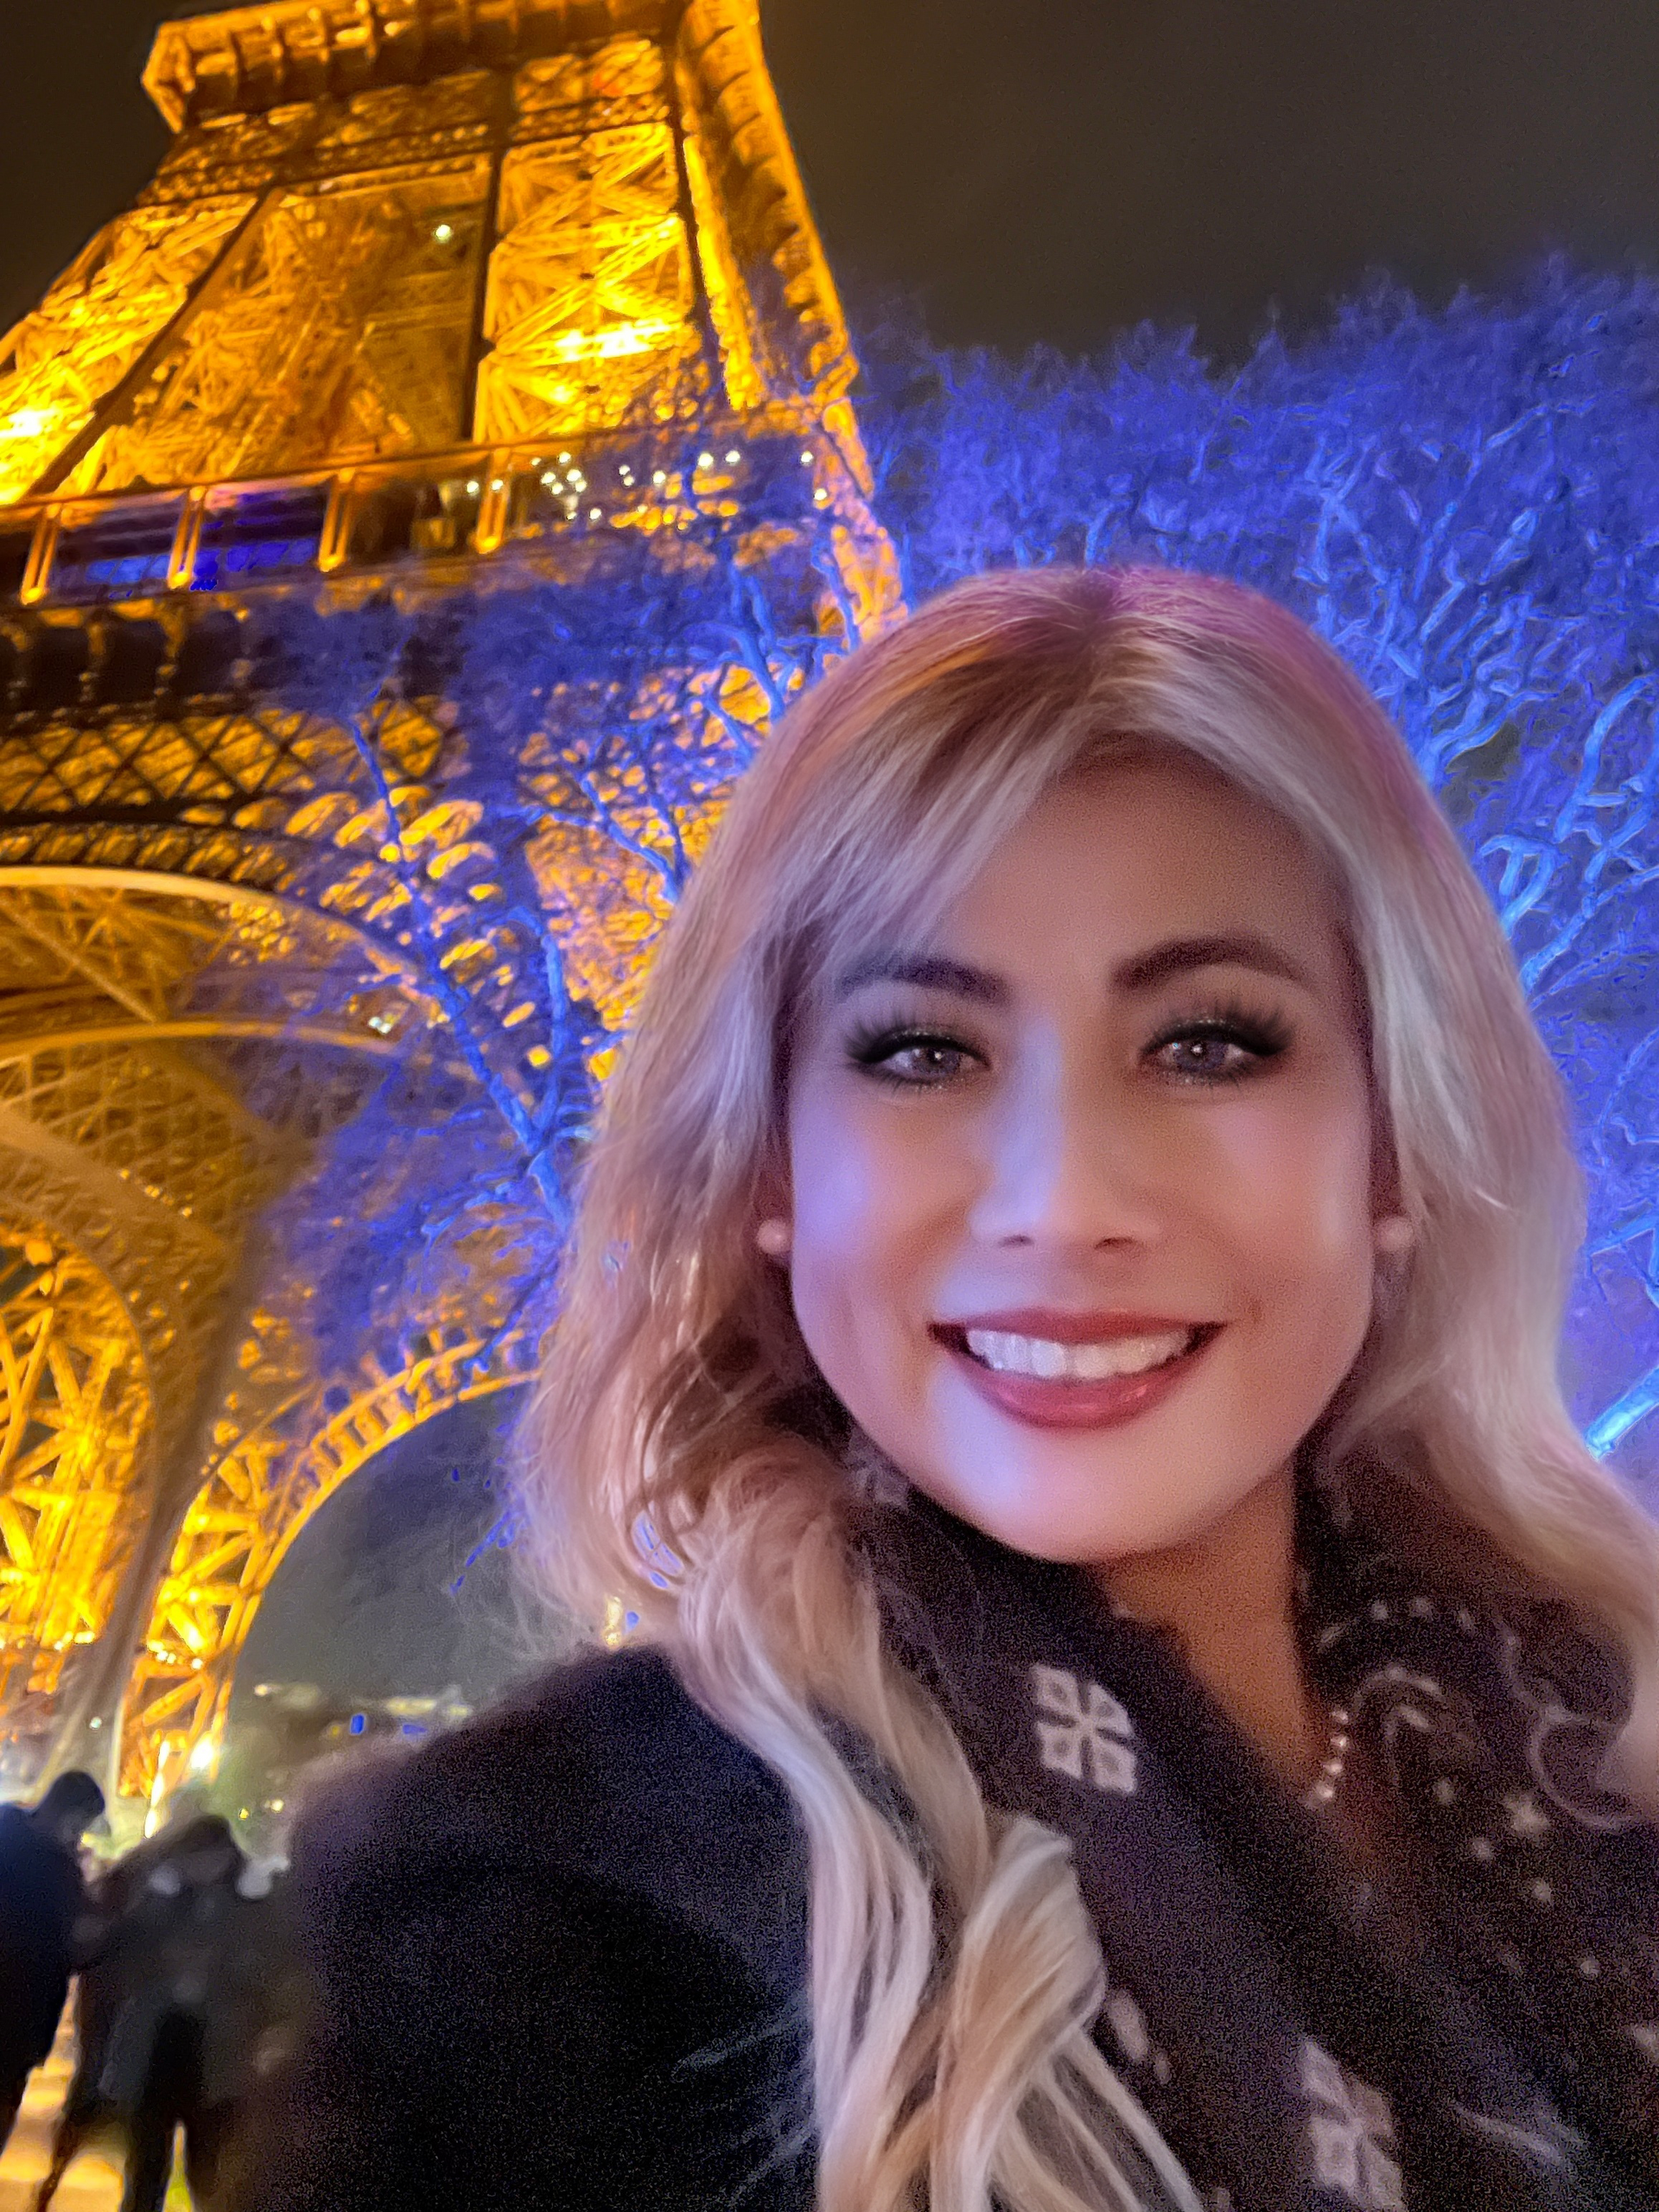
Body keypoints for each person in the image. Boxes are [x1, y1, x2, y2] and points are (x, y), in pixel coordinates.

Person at [244, 568, 1659, 2212]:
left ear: (1394, 1148)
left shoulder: (1605, 1748)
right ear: (769, 1166)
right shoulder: (551, 1927)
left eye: (1210, 1041)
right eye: (921, 1050)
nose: (1060, 1197)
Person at [0, 1770, 105, 2152]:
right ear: (72, 1815)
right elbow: (75, 1945)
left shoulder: (6, 1831)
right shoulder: (59, 1871)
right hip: (19, 2016)